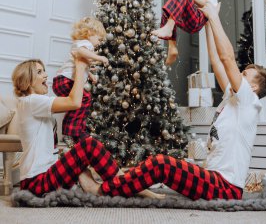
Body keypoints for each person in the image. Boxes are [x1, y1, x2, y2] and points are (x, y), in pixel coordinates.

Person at [92, 2, 266, 200]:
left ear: (254, 87)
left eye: (244, 74)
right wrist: (207, 23)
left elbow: (227, 59)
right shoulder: (231, 99)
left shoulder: (249, 102)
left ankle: (102, 191)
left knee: (162, 164)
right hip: (213, 178)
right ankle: (121, 185)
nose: (238, 75)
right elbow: (216, 59)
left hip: (226, 187)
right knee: (159, 164)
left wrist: (214, 17)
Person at [12, 57, 164, 199]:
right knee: (88, 145)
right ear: (28, 80)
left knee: (80, 152)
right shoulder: (31, 101)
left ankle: (107, 186)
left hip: (43, 177)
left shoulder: (31, 103)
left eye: (44, 70)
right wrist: (79, 66)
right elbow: (75, 102)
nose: (45, 75)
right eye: (39, 72)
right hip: (36, 183)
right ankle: (131, 186)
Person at [52, 16, 109, 147]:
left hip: (62, 81)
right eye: (99, 39)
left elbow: (81, 63)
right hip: (64, 80)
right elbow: (80, 52)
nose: (99, 42)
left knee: (84, 99)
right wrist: (99, 57)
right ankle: (70, 131)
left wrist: (90, 75)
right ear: (89, 34)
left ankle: (75, 130)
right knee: (84, 98)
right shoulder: (84, 44)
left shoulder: (85, 46)